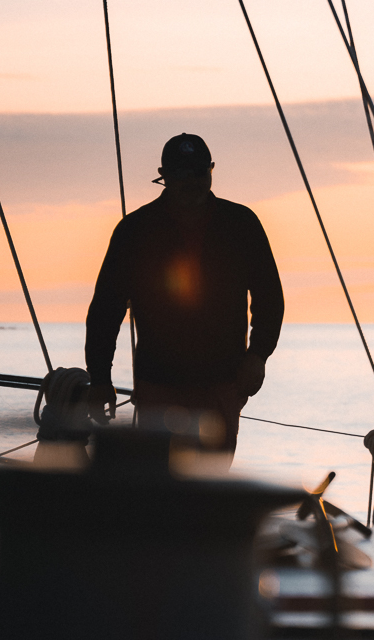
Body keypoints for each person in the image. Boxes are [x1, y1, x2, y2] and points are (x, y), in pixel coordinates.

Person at [84, 134, 284, 453]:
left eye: (198, 173)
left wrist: (258, 354)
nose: (190, 182)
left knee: (213, 482)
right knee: (161, 485)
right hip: (159, 383)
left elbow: (269, 295)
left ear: (211, 171)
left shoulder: (241, 225)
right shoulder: (135, 231)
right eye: (180, 175)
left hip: (222, 381)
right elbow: (106, 310)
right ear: (164, 177)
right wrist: (99, 379)